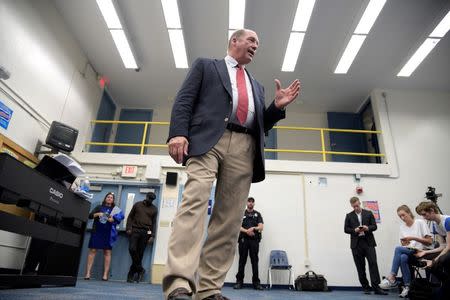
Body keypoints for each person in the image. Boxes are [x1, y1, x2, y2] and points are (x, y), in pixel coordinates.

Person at [163, 28, 300, 300]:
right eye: (251, 40)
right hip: (208, 140)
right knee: (195, 202)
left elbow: (262, 123)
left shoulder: (257, 86)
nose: (255, 46)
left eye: (258, 43)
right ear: (233, 41)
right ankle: (179, 283)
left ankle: (209, 289)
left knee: (229, 220)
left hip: (245, 147)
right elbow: (184, 100)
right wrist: (178, 132)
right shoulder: (206, 66)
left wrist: (276, 107)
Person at [378, 205, 432, 298]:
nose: (402, 218)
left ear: (409, 213)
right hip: (410, 252)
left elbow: (429, 242)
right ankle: (407, 287)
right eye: (400, 216)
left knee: (398, 249)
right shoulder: (402, 227)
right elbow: (404, 245)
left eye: (403, 215)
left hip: (421, 252)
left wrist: (413, 238)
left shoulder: (420, 222)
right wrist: (406, 243)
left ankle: (392, 276)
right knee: (403, 257)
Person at [344, 197, 387, 295]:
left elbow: (374, 226)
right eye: (354, 206)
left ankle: (376, 288)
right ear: (351, 206)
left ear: (360, 203)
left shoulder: (368, 213)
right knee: (360, 267)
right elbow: (346, 229)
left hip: (368, 242)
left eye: (357, 205)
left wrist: (367, 228)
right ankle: (366, 287)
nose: (356, 208)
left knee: (373, 264)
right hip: (356, 244)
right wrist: (354, 230)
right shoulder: (349, 216)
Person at [84, 192, 124, 281]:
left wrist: (112, 219)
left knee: (107, 252)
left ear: (113, 200)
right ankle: (88, 273)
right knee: (93, 251)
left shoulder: (115, 209)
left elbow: (118, 220)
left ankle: (105, 275)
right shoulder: (99, 207)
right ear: (105, 198)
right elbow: (90, 216)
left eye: (111, 197)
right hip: (97, 231)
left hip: (108, 233)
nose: (109, 198)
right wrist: (98, 214)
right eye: (108, 197)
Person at [415, 201, 450, 298]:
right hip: (448, 248)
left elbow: (448, 246)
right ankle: (446, 283)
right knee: (426, 258)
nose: (423, 217)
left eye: (424, 214)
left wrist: (434, 261)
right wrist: (425, 251)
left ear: (431, 211)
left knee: (440, 260)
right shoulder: (435, 225)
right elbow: (442, 246)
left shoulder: (447, 221)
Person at [126, 192, 158, 283]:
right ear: (146, 197)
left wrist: (152, 235)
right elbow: (130, 217)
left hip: (146, 233)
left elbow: (154, 223)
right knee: (132, 249)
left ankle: (131, 274)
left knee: (140, 254)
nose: (150, 200)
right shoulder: (137, 205)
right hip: (135, 230)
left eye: (152, 200)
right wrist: (128, 228)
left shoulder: (154, 209)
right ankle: (140, 269)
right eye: (149, 198)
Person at [233, 197, 264, 290]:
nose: (250, 203)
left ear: (254, 204)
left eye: (252, 202)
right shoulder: (241, 213)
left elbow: (261, 227)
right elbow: (237, 226)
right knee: (242, 261)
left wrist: (253, 228)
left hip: (254, 241)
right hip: (243, 240)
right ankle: (239, 282)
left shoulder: (257, 214)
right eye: (249, 201)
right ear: (246, 203)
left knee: (255, 261)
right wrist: (247, 231)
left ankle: (256, 283)